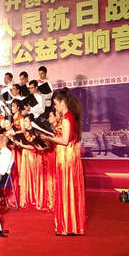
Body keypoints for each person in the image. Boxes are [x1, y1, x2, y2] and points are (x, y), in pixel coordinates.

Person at [42, 89, 86, 235]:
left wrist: (49, 137)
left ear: (62, 102)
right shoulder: (66, 117)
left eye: (56, 104)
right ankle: (69, 225)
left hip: (67, 158)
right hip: (64, 156)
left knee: (67, 189)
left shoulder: (67, 118)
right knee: (66, 189)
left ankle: (68, 225)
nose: (55, 107)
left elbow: (65, 140)